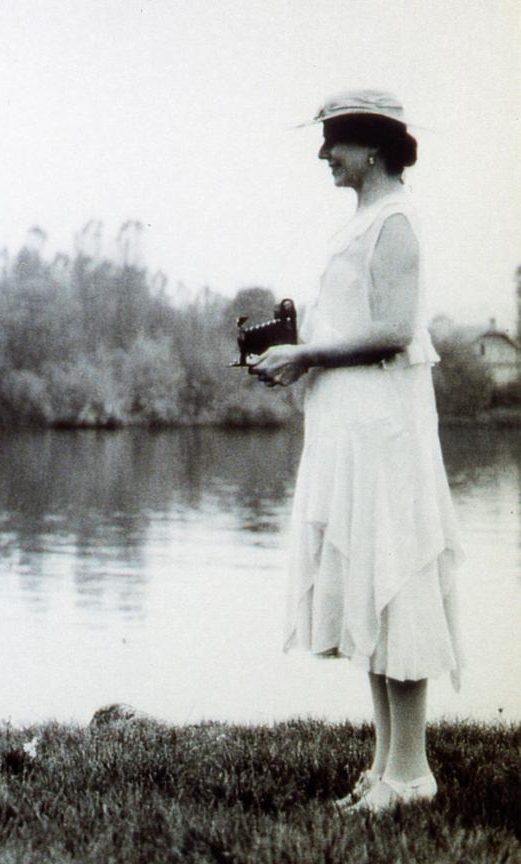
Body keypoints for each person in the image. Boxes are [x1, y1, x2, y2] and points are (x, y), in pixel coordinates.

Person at [251, 89, 463, 813]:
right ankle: (385, 769)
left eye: (334, 142)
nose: (324, 155)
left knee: (395, 581)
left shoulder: (395, 220)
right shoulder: (363, 221)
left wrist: (306, 354)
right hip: (352, 429)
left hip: (385, 433)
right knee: (370, 583)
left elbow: (397, 330)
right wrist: (294, 353)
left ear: (372, 147)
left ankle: (412, 774)